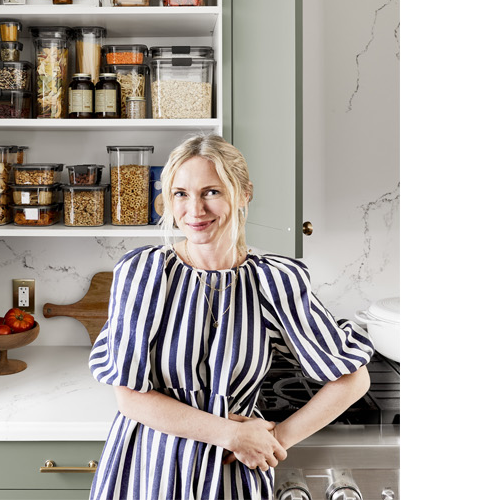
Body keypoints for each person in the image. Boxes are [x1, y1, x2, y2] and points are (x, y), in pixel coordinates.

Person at [87, 134, 375, 499]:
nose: (195, 210)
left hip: (234, 473)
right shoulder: (144, 272)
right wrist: (230, 433)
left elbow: (353, 379)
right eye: (181, 193)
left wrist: (273, 440)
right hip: (149, 467)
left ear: (243, 194)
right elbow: (129, 396)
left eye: (212, 192)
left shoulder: (274, 279)